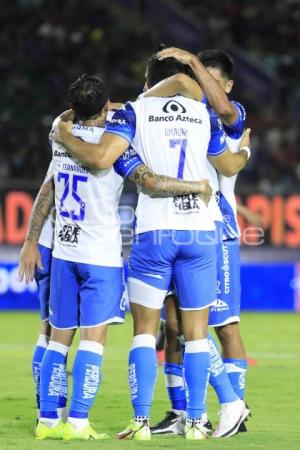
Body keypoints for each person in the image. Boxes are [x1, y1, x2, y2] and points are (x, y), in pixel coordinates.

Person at [51, 55, 250, 440]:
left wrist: (64, 132)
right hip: (200, 233)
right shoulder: (205, 114)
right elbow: (226, 166)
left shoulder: (132, 115)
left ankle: (140, 421)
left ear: (147, 82)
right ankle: (196, 421)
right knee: (195, 333)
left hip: (154, 234)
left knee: (145, 332)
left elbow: (123, 167)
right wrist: (244, 154)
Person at [18, 73, 214, 440]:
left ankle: (47, 420)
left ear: (74, 107)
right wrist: (196, 186)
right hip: (101, 257)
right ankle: (77, 422)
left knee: (57, 339)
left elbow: (49, 187)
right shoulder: (116, 146)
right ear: (106, 107)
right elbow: (149, 181)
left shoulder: (59, 133)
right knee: (93, 341)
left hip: (64, 252)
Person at [143, 46, 252, 436]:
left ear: (227, 85)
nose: (199, 88)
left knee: (223, 327)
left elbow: (224, 116)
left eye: (208, 80)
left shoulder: (230, 115)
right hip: (179, 226)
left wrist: (190, 64)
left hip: (217, 232)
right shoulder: (180, 113)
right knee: (173, 326)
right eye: (195, 80)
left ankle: (235, 409)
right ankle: (184, 412)